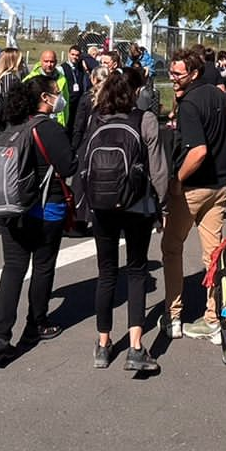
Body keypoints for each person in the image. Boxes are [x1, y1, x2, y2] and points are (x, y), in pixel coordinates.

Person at [0, 75, 76, 365]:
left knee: (12, 269)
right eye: (55, 92)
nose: (58, 96)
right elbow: (69, 165)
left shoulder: (14, 128)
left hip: (11, 211)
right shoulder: (49, 129)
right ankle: (36, 324)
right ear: (45, 99)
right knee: (42, 267)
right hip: (45, 210)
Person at [86, 71, 170, 374]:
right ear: (133, 93)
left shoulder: (96, 119)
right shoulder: (144, 119)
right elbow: (158, 168)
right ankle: (136, 347)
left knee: (106, 272)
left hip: (101, 204)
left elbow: (85, 161)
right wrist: (162, 205)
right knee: (136, 271)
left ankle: (103, 343)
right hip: (137, 203)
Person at [161, 47, 226, 341]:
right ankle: (213, 317)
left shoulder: (190, 104)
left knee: (171, 248)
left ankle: (174, 315)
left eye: (177, 73)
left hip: (193, 188)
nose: (172, 77)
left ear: (193, 73)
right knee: (213, 254)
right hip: (220, 186)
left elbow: (198, 151)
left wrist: (177, 179)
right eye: (171, 71)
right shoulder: (220, 97)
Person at [27, 50, 72, 130]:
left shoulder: (62, 79)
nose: (49, 64)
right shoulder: (31, 79)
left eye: (52, 61)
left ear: (56, 62)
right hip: (36, 124)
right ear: (41, 61)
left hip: (57, 123)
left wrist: (64, 123)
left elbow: (66, 103)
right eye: (46, 61)